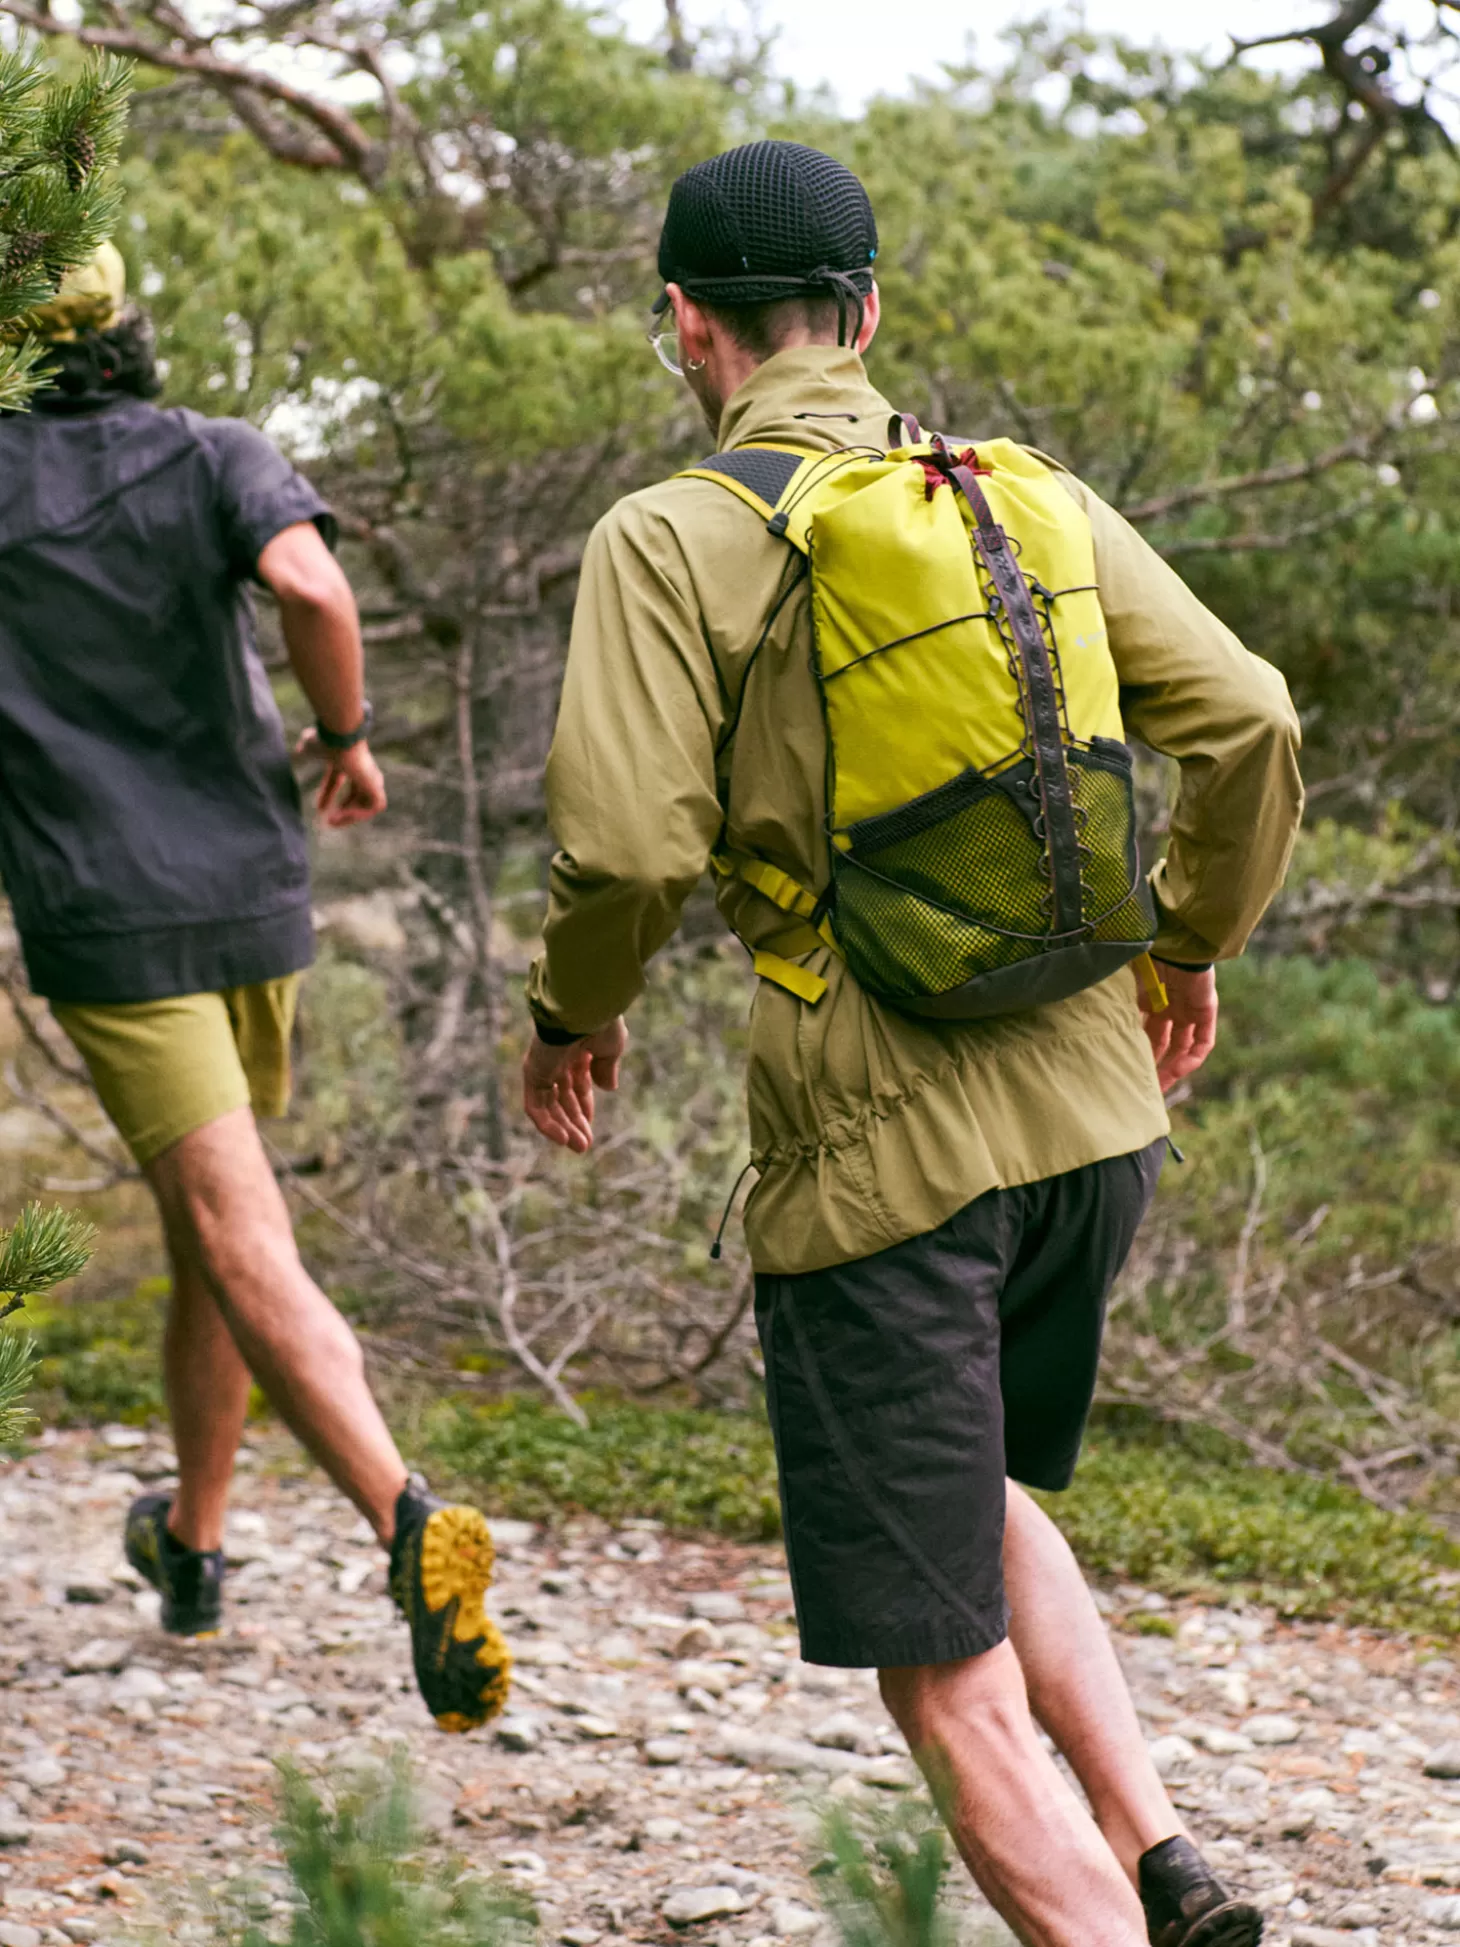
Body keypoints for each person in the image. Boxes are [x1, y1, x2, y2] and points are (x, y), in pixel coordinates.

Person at [522, 143, 1303, 1947]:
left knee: (940, 1682)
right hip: (1095, 1125)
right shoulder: (1025, 496)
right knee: (992, 1488)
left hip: (886, 1166)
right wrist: (1188, 946)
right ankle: (1162, 1848)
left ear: (685, 329)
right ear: (866, 314)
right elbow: (1252, 720)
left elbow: (629, 851)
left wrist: (575, 1010)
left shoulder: (669, 537)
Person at [0, 247, 510, 1733]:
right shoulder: (215, 451)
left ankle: (410, 1520)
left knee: (236, 1234)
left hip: (113, 914)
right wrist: (346, 732)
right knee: (211, 1227)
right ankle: (197, 1547)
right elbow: (307, 582)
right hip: (252, 891)